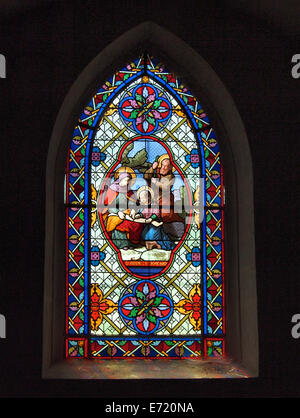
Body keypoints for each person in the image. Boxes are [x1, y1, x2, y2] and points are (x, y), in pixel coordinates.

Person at [100, 166, 144, 249]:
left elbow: (132, 203)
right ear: (120, 179)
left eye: (129, 181)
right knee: (120, 223)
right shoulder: (112, 190)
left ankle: (132, 244)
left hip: (127, 213)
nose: (127, 183)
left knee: (136, 223)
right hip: (114, 214)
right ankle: (122, 244)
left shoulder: (129, 191)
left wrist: (133, 210)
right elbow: (110, 206)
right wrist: (118, 212)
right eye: (126, 180)